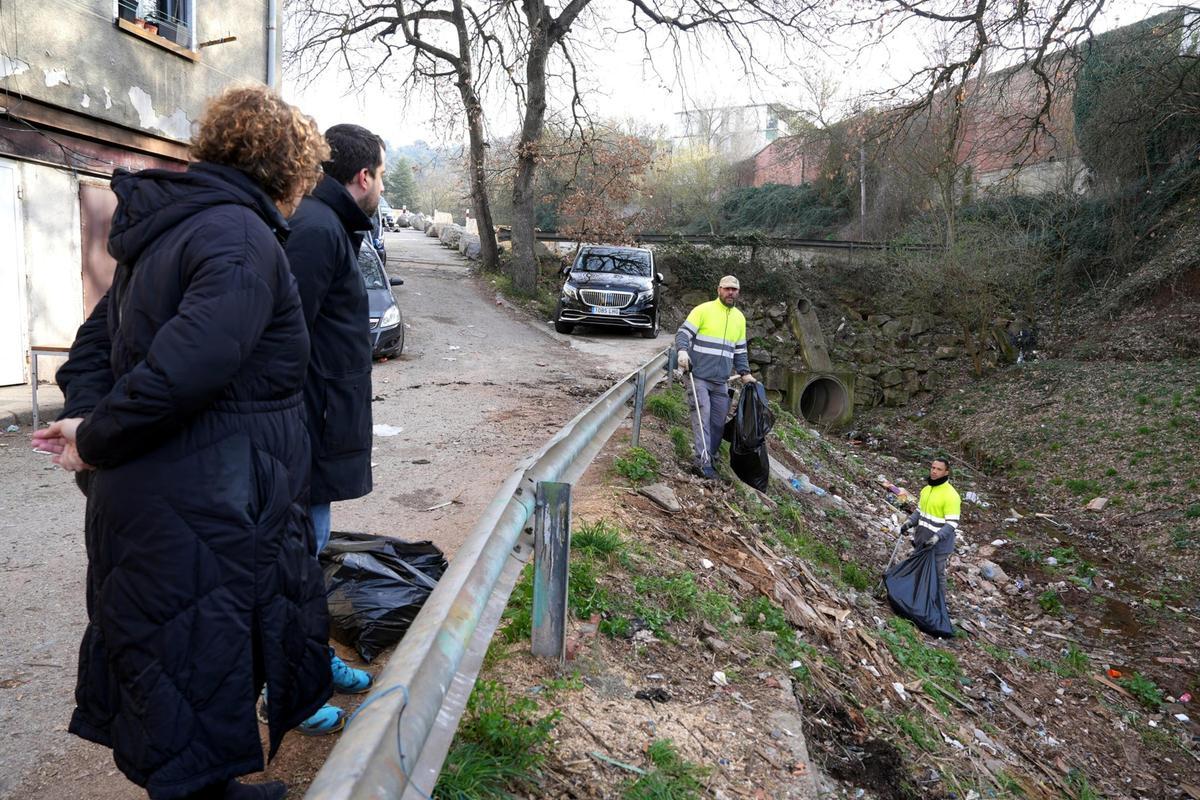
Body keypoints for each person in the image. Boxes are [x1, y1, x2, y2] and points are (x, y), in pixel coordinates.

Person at [31, 86, 333, 800]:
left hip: (173, 492)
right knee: (195, 650)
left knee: (184, 654)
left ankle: (212, 787)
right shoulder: (239, 237)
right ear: (289, 167)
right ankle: (199, 791)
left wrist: (88, 429)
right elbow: (185, 366)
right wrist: (95, 438)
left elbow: (91, 355)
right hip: (204, 500)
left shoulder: (178, 230)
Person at [271, 123, 385, 734]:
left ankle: (312, 660)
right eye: (382, 175)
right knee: (295, 565)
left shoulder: (328, 224)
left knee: (310, 556)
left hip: (317, 424)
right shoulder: (316, 230)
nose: (382, 187)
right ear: (362, 176)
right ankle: (287, 689)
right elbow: (283, 337)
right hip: (304, 431)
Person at [674, 275, 755, 480]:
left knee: (718, 423)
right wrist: (683, 351)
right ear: (719, 289)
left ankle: (711, 455)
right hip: (698, 376)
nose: (730, 293)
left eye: (734, 290)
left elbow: (740, 350)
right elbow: (683, 333)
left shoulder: (739, 318)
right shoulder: (703, 310)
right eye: (727, 289)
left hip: (721, 381)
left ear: (738, 292)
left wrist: (745, 373)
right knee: (702, 418)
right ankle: (703, 464)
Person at [901, 457, 962, 594]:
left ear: (946, 473)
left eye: (939, 469)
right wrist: (909, 522)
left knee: (937, 573)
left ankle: (938, 603)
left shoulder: (951, 495)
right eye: (933, 468)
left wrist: (936, 538)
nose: (934, 471)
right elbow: (919, 511)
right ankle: (916, 598)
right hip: (922, 540)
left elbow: (952, 523)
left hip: (939, 545)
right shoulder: (927, 490)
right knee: (917, 568)